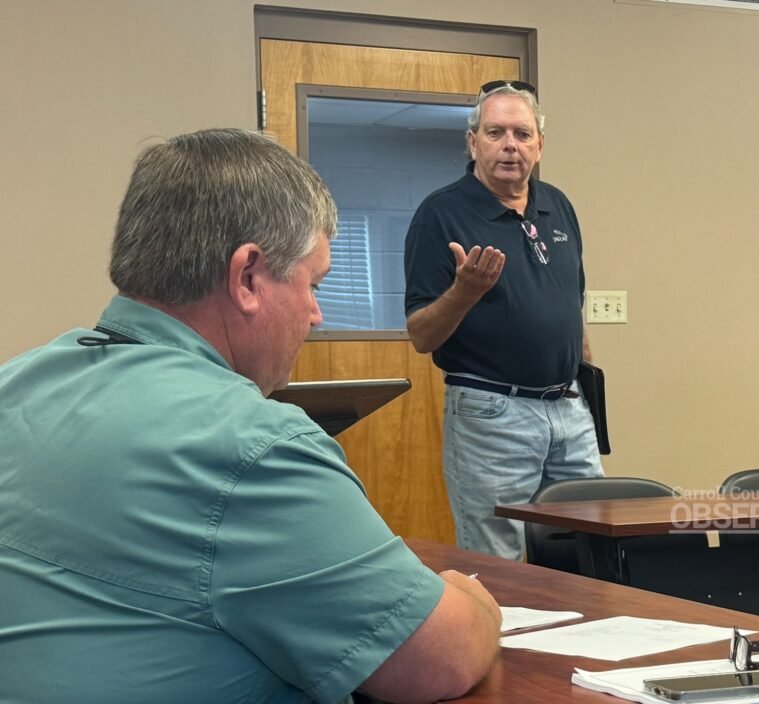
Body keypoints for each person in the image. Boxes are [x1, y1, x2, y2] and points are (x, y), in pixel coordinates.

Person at [0, 128, 500, 704]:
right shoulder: (250, 443)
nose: (315, 315)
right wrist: (474, 599)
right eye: (313, 284)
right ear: (247, 277)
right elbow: (437, 660)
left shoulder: (21, 382)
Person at [404, 81, 604, 561]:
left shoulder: (557, 205)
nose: (509, 145)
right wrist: (465, 290)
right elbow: (421, 335)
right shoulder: (440, 214)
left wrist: (586, 391)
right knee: (500, 562)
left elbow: (570, 306)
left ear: (539, 144)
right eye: (495, 132)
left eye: (521, 133)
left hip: (568, 410)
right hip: (492, 413)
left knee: (594, 547)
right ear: (472, 142)